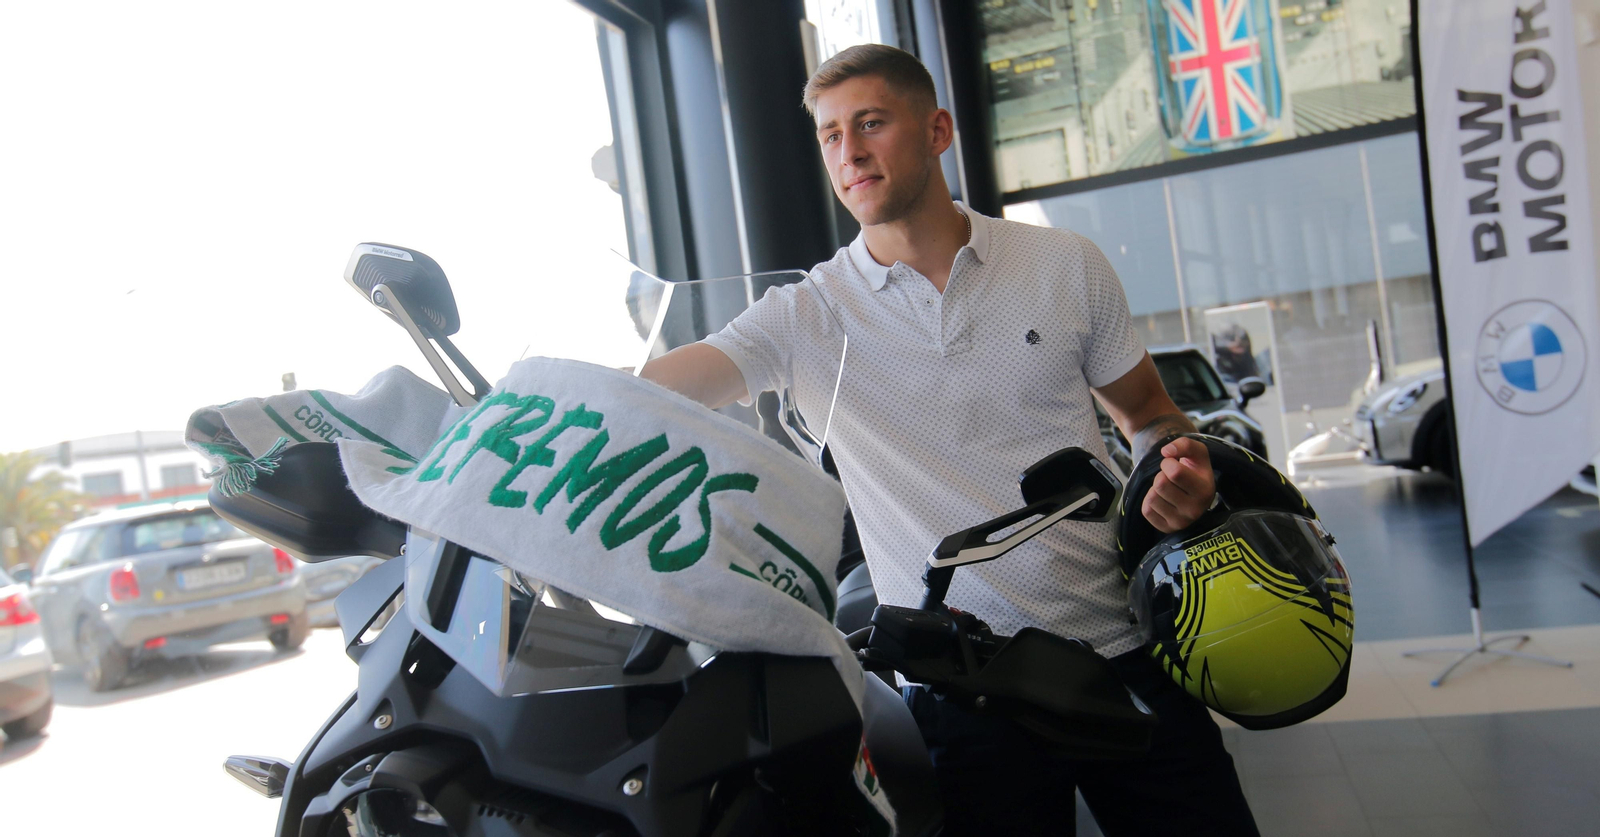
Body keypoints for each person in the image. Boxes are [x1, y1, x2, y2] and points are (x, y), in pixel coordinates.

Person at [641, 44, 1257, 837]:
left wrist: (1173, 466)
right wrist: (538, 404)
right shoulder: (807, 316)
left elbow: (1149, 412)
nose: (849, 151)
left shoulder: (1063, 263)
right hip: (962, 692)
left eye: (871, 122)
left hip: (1125, 649)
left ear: (937, 130)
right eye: (830, 134)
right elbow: (667, 383)